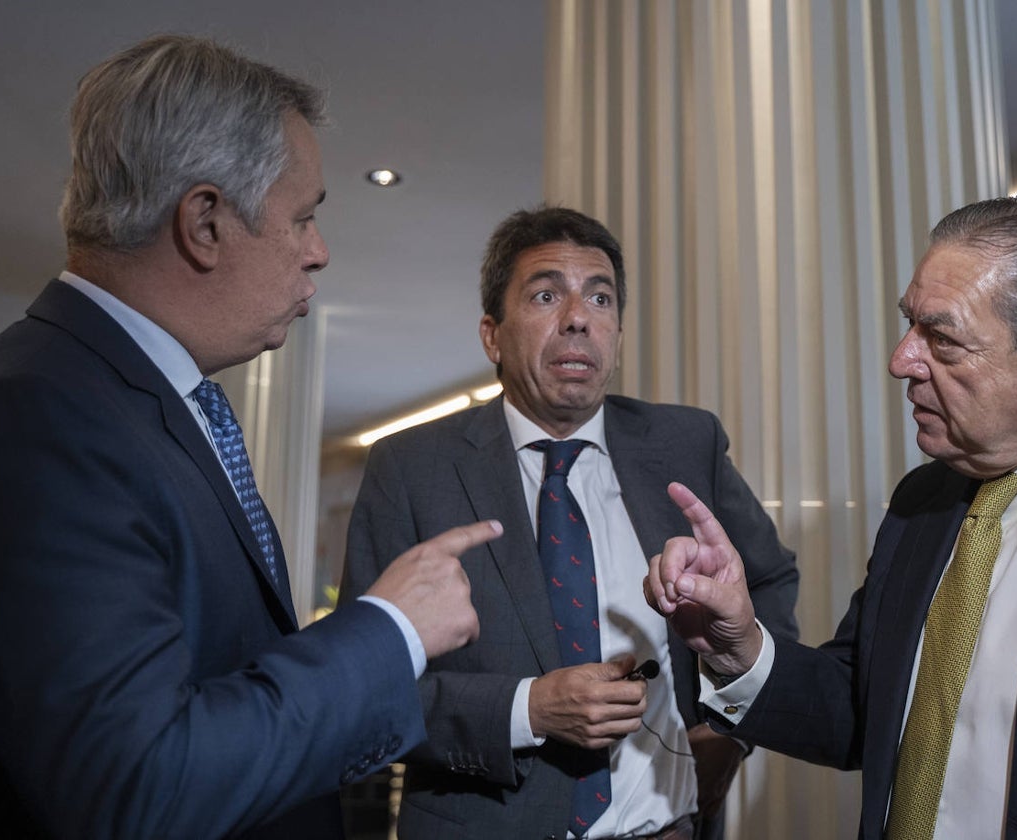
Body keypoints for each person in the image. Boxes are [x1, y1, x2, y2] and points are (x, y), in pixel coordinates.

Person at [0, 34, 502, 840]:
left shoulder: (148, 403)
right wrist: (389, 630)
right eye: (302, 217)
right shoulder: (31, 418)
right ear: (204, 222)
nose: (320, 251)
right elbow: (137, 787)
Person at [646, 194, 1017, 839]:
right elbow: (863, 714)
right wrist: (742, 649)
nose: (900, 360)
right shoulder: (921, 504)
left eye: (943, 338)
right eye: (910, 325)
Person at [343, 205, 800, 840]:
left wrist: (730, 728)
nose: (579, 318)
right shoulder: (412, 468)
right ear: (492, 335)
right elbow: (365, 689)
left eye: (601, 298)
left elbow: (768, 585)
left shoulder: (685, 442)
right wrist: (525, 710)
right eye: (546, 294)